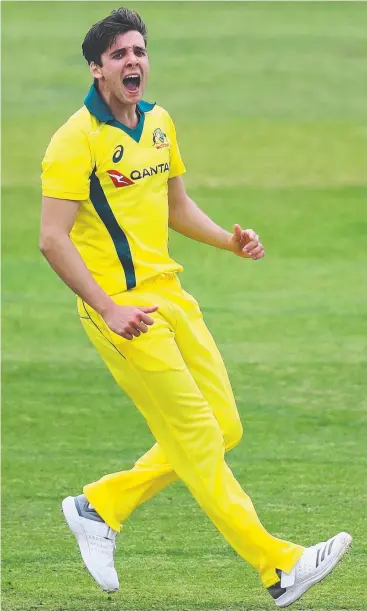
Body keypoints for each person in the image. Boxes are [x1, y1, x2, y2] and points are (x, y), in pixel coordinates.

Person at [40, 7, 351, 608]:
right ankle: (278, 565)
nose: (134, 62)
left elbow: (175, 206)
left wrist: (228, 242)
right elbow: (52, 239)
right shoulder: (73, 141)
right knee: (197, 438)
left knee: (224, 426)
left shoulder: (159, 124)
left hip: (172, 296)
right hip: (124, 314)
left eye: (139, 51)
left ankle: (100, 506)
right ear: (97, 69)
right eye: (119, 55)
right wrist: (107, 308)